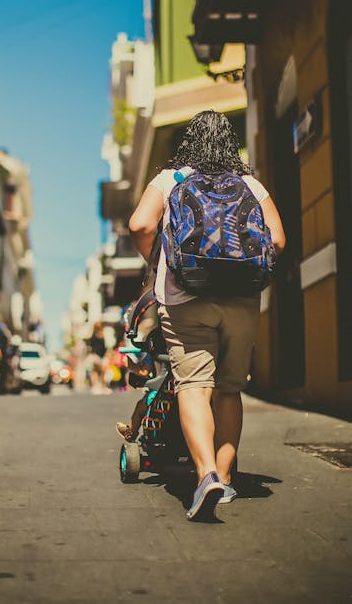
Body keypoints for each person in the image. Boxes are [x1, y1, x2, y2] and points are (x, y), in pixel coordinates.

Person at [128, 110, 285, 521]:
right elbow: (279, 240)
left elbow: (140, 224)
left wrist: (158, 263)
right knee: (230, 389)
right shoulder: (249, 184)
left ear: (189, 142)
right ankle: (228, 479)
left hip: (185, 297)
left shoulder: (171, 180)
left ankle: (206, 476)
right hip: (242, 300)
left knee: (194, 386)